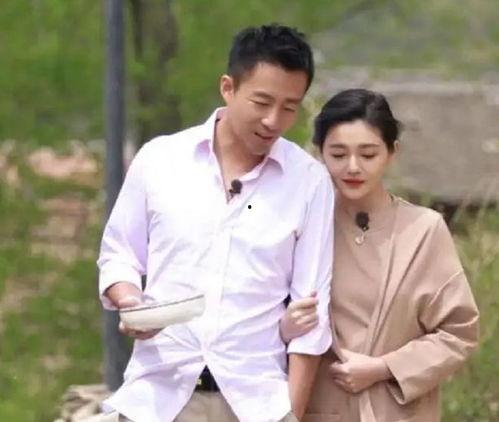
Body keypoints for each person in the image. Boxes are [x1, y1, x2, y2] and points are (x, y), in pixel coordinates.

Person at [97, 24, 335, 422]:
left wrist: (290, 413)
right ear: (228, 87)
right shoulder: (160, 159)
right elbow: (119, 254)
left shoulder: (309, 182)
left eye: (289, 107)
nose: (273, 120)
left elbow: (312, 315)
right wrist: (130, 301)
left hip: (255, 402)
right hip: (158, 396)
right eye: (262, 102)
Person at [281, 89, 479, 422]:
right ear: (319, 153)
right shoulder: (299, 224)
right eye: (338, 154)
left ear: (392, 153)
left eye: (368, 154)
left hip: (397, 411)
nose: (353, 167)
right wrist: (284, 328)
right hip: (316, 407)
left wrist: (385, 367)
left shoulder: (424, 229)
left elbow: (459, 332)